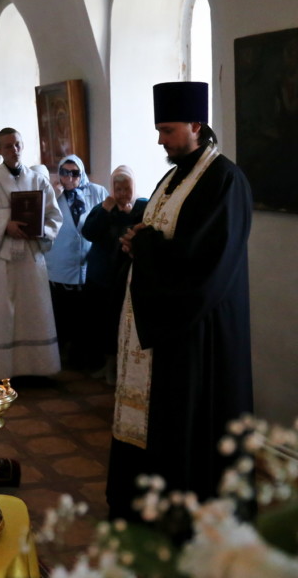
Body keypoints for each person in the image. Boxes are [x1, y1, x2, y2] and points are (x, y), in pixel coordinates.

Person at [106, 81, 253, 519]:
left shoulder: (225, 179)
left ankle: (191, 513)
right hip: (159, 324)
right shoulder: (173, 176)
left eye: (167, 130)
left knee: (192, 421)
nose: (160, 140)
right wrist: (135, 241)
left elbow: (205, 260)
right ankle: (147, 502)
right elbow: (157, 232)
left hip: (196, 329)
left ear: (196, 125)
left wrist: (145, 246)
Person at [0, 128, 62, 379]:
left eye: (17, 144)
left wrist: (40, 230)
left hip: (31, 255)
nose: (14, 150)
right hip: (0, 256)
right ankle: (1, 369)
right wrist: (4, 225)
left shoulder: (38, 180)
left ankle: (37, 368)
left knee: (34, 307)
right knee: (1, 310)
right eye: (8, 146)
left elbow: (54, 217)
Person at [81, 165, 147, 385]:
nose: (122, 194)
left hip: (129, 277)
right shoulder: (103, 208)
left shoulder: (143, 207)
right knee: (102, 322)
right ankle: (107, 365)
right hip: (102, 276)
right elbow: (89, 232)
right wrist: (105, 211)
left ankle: (123, 368)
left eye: (126, 188)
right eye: (117, 189)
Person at [44, 154, 108, 370]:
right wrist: (54, 194)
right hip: (59, 262)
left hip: (87, 263)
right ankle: (61, 357)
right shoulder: (52, 194)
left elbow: (104, 220)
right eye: (64, 172)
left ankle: (82, 358)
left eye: (75, 173)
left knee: (85, 316)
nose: (69, 177)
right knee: (62, 313)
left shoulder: (97, 192)